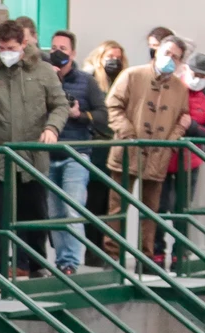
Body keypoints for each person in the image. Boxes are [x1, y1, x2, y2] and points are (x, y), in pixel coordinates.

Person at [0, 20, 67, 291]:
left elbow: (60, 105)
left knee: (34, 214)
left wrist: (52, 128)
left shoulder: (44, 71)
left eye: (11, 47)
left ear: (24, 44)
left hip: (32, 157)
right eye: (1, 47)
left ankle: (36, 266)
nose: (5, 52)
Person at [103, 35, 191, 266]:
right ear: (157, 51)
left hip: (158, 156)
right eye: (167, 53)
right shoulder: (133, 75)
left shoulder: (180, 88)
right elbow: (113, 105)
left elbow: (183, 117)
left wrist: (169, 141)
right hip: (126, 151)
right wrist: (128, 133)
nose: (170, 59)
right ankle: (112, 254)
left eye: (176, 57)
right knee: (117, 207)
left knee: (150, 211)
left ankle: (147, 257)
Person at [154, 55, 205, 263]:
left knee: (183, 208)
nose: (198, 79)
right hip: (162, 158)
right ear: (185, 70)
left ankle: (179, 252)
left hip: (190, 161)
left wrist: (191, 126)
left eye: (203, 76)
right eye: (195, 74)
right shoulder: (169, 87)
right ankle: (155, 251)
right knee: (158, 206)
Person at [47, 31, 102, 274]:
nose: (58, 52)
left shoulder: (87, 82)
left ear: (73, 53)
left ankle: (71, 262)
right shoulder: (43, 78)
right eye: (54, 47)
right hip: (47, 153)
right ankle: (61, 260)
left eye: (63, 48)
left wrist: (80, 115)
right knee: (54, 212)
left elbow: (104, 116)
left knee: (72, 208)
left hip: (76, 153)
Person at [82, 41, 125, 211]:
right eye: (110, 57)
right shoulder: (89, 81)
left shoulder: (124, 81)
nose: (114, 61)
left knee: (112, 205)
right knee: (93, 202)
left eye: (118, 58)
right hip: (95, 149)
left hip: (115, 150)